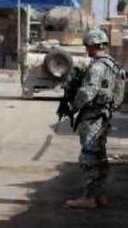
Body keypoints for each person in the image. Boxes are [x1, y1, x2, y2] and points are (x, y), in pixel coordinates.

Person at [64, 29, 125, 209]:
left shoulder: (97, 67)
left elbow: (88, 92)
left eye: (88, 45)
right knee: (100, 155)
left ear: (95, 45)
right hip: (104, 114)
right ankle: (100, 195)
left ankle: (89, 197)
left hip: (93, 116)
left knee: (88, 156)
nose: (87, 49)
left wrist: (74, 106)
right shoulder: (112, 65)